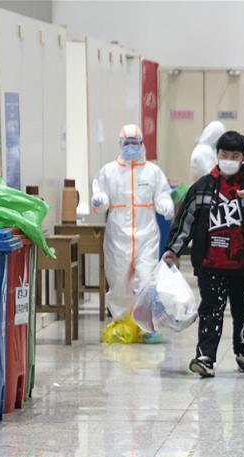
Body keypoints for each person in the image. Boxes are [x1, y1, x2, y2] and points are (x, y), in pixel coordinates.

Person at [163, 131, 244, 377]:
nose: (228, 159)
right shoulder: (203, 187)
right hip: (211, 264)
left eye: (235, 155)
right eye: (224, 154)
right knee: (210, 311)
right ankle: (205, 357)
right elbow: (186, 220)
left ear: (242, 157)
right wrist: (173, 250)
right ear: (217, 155)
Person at [91, 124, 174, 341]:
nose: (130, 147)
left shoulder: (153, 172)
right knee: (118, 278)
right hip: (118, 233)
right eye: (126, 143)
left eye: (134, 143)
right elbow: (100, 194)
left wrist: (166, 205)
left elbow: (162, 194)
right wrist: (99, 201)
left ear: (141, 144)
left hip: (146, 233)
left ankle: (145, 324)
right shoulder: (108, 171)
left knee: (146, 279)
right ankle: (121, 322)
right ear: (120, 144)